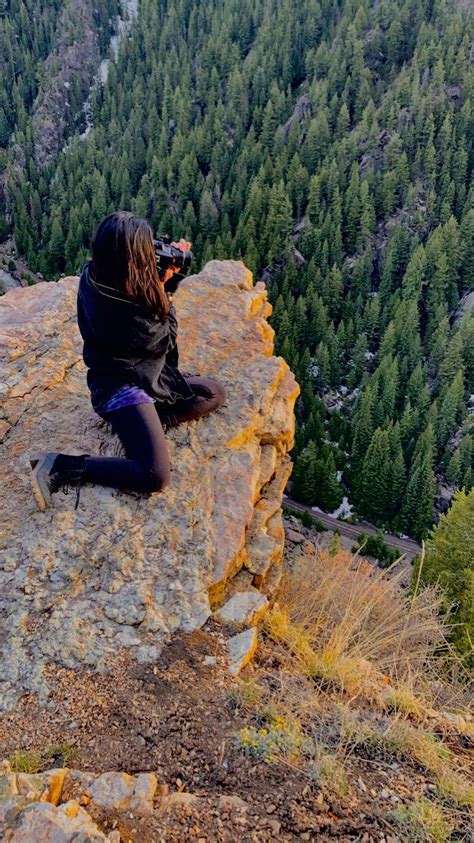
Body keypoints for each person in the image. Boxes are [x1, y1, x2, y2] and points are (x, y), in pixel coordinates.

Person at [30, 211, 227, 510]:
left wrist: (155, 274)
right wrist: (166, 286)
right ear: (131, 261)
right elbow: (167, 337)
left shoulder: (94, 275)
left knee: (212, 393)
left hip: (137, 375)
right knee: (154, 475)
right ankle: (59, 466)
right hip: (121, 389)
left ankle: (144, 426)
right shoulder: (133, 315)